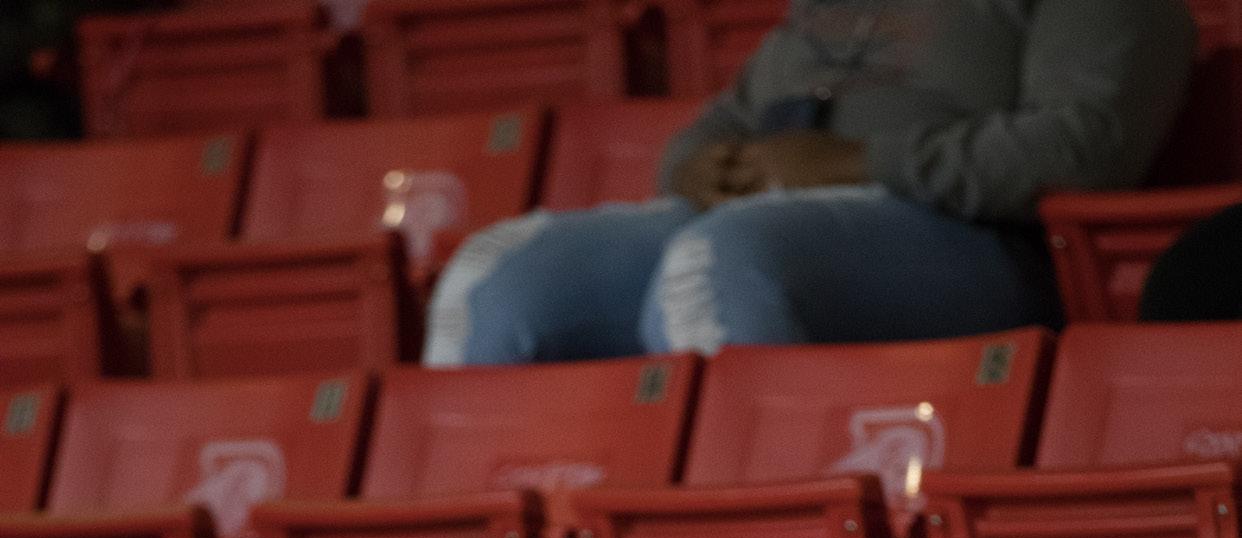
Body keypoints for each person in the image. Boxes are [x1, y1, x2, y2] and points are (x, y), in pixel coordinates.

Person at [423, 0, 1196, 366]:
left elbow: (1084, 146)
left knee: (721, 261)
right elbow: (727, 115)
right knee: (497, 274)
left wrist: (859, 162)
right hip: (762, 219)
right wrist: (696, 165)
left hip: (971, 241)